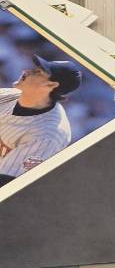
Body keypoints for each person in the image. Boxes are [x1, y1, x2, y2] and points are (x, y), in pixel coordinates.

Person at [0, 54, 80, 182]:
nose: (26, 71)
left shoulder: (47, 135)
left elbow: (7, 181)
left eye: (37, 72)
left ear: (50, 85)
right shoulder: (12, 95)